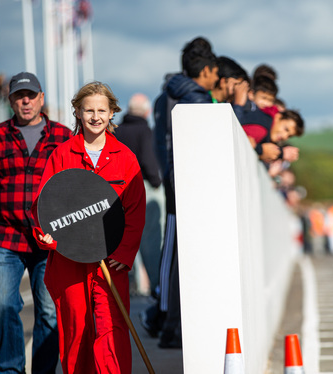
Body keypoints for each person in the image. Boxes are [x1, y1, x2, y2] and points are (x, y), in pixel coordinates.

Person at [0, 72, 72, 374]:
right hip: (7, 239)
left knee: (49, 311)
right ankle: (11, 369)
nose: (26, 101)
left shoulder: (63, 137)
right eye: (19, 96)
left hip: (49, 241)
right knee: (4, 306)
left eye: (31, 95)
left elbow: (77, 184)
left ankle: (44, 371)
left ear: (41, 99)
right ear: (10, 100)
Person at [33, 81, 146, 374]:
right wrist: (47, 236)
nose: (95, 117)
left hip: (112, 261)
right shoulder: (61, 155)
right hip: (69, 260)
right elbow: (43, 202)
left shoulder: (126, 159)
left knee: (112, 330)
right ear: (78, 113)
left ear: (112, 114)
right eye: (89, 110)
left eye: (102, 111)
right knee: (76, 333)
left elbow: (135, 210)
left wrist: (125, 252)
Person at [150, 36, 219, 349]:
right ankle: (164, 319)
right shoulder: (197, 99)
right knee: (176, 254)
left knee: (173, 252)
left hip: (172, 178)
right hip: (186, 182)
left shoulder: (166, 95)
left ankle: (166, 316)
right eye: (214, 71)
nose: (216, 78)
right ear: (204, 71)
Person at [114, 93, 163, 297]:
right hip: (143, 187)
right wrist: (157, 182)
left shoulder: (118, 130)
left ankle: (132, 284)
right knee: (150, 238)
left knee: (126, 237)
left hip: (119, 189)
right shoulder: (144, 130)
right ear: (147, 111)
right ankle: (155, 287)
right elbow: (148, 159)